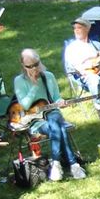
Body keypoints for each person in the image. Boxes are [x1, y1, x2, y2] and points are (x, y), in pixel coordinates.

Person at [13, 48, 86, 181]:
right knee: (59, 129)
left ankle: (57, 164)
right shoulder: (19, 81)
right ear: (23, 66)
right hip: (34, 118)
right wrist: (34, 86)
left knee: (54, 121)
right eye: (30, 66)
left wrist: (61, 102)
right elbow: (25, 105)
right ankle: (73, 164)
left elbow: (55, 98)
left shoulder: (48, 76)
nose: (34, 68)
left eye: (36, 64)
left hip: (52, 112)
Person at [62, 17, 100, 119]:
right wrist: (85, 68)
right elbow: (74, 66)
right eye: (75, 28)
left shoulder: (96, 45)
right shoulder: (72, 48)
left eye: (79, 27)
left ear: (87, 29)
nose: (76, 30)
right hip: (82, 76)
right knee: (94, 79)